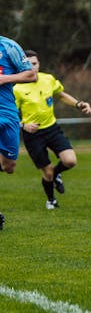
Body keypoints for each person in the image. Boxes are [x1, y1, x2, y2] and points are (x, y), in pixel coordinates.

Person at [13, 50, 91, 209]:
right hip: (33, 135)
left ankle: (57, 175)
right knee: (47, 172)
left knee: (70, 161)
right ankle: (51, 200)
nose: (32, 67)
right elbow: (9, 115)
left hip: (52, 128)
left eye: (34, 63)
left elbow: (61, 94)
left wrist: (79, 104)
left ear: (39, 64)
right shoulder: (17, 88)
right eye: (28, 64)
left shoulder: (48, 79)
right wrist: (24, 125)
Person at [0, 36, 38, 229]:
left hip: (7, 114)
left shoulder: (8, 46)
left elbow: (32, 75)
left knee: (9, 166)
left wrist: (5, 79)